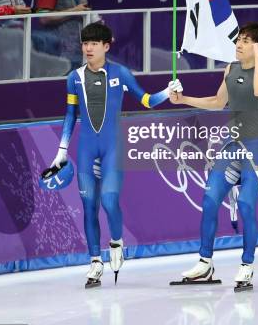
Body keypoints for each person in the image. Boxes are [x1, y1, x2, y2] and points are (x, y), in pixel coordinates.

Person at [50, 21, 179, 287]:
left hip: (112, 148)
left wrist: (168, 91)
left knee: (109, 202)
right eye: (85, 43)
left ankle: (117, 241)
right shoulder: (74, 78)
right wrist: (61, 151)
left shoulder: (121, 73)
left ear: (106, 47)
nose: (88, 48)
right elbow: (70, 115)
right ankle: (95, 262)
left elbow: (146, 101)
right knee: (89, 207)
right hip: (85, 149)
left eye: (94, 44)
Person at [169, 22, 258, 291]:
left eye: (245, 41)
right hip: (231, 146)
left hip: (256, 150)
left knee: (247, 206)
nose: (238, 45)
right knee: (209, 200)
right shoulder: (230, 68)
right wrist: (184, 100)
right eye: (238, 40)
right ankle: (205, 264)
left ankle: (246, 265)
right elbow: (218, 102)